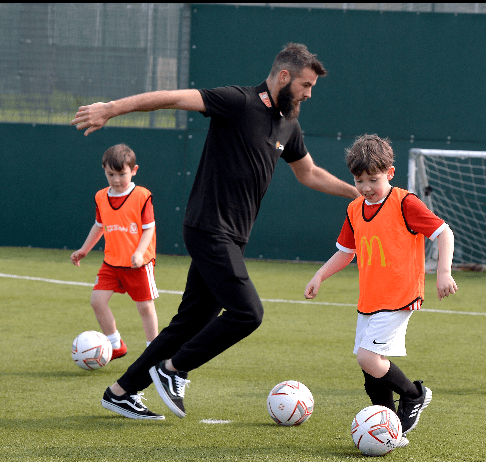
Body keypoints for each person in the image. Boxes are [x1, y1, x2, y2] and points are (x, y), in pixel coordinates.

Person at [71, 43, 360, 420]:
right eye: (306, 85)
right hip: (209, 228)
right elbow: (171, 98)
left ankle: (121, 391)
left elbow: (309, 173)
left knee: (191, 322)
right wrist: (111, 109)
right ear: (284, 76)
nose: (308, 93)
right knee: (248, 313)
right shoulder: (237, 102)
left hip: (233, 237)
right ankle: (173, 368)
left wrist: (356, 193)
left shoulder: (288, 124)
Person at [304, 134, 457, 445]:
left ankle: (415, 394)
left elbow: (444, 233)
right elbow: (346, 252)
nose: (365, 187)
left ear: (390, 173)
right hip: (370, 298)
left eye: (372, 179)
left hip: (400, 296)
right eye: (359, 180)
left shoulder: (405, 202)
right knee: (370, 369)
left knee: (368, 358)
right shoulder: (354, 209)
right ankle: (391, 430)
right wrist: (320, 275)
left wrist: (443, 272)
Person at [71, 143, 159, 359]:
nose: (116, 179)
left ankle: (154, 351)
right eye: (111, 174)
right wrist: (84, 249)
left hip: (138, 264)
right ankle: (115, 344)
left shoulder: (142, 196)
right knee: (97, 301)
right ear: (104, 170)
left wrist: (139, 253)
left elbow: (149, 229)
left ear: (134, 170)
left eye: (122, 174)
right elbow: (99, 226)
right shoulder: (101, 196)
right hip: (111, 263)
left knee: (145, 308)